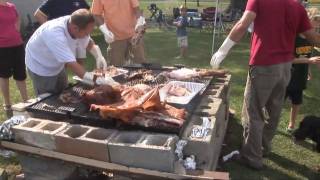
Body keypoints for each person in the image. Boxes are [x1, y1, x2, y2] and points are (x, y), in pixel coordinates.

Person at [210, 0, 320, 170]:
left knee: (253, 111)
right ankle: (263, 147)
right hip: (285, 67)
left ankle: (251, 157)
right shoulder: (297, 6)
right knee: (274, 111)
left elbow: (242, 23)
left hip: (264, 65)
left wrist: (223, 50)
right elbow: (313, 36)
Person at [26, 9, 114, 96]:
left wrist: (98, 54)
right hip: (40, 67)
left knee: (64, 94)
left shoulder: (76, 22)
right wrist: (98, 80)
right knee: (48, 100)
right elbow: (74, 67)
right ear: (75, 28)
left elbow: (88, 41)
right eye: (87, 33)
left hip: (57, 65)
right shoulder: (55, 35)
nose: (88, 35)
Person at [286, 8, 320, 132]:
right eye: (315, 19)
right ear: (306, 19)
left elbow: (307, 55)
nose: (318, 23)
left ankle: (291, 124)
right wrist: (309, 61)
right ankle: (268, 122)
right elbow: (288, 59)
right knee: (277, 102)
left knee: (296, 102)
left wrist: (309, 68)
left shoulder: (311, 38)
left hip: (301, 75)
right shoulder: (293, 36)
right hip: (287, 75)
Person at [91, 0, 146, 66]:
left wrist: (140, 23)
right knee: (116, 69)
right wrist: (105, 31)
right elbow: (96, 14)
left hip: (134, 36)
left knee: (140, 66)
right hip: (115, 37)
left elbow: (137, 10)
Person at [0, 0, 28, 118]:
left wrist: (16, 30)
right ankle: (7, 104)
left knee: (21, 74)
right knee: (4, 75)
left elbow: (18, 18)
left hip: (17, 44)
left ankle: (26, 102)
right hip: (2, 46)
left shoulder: (12, 6)